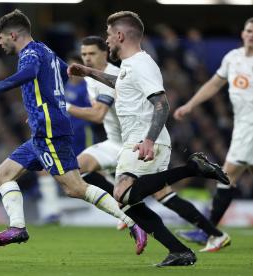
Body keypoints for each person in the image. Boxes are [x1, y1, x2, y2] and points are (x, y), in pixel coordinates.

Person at [0, 9, 147, 254]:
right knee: (3, 174)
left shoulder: (29, 55)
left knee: (74, 188)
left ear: (13, 35)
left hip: (49, 130)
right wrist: (43, 106)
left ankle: (135, 223)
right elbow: (63, 71)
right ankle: (17, 228)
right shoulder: (45, 50)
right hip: (44, 127)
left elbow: (29, 73)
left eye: (0, 37)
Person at [67, 11, 229, 266]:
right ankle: (179, 251)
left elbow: (162, 104)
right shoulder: (130, 65)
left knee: (124, 195)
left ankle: (192, 168)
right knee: (127, 203)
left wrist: (150, 140)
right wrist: (88, 71)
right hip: (135, 139)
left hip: (144, 139)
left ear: (120, 35)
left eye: (109, 35)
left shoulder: (142, 63)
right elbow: (118, 81)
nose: (107, 40)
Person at [173, 17, 253, 247]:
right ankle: (208, 232)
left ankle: (207, 232)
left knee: (227, 176)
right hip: (243, 125)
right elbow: (214, 84)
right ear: (243, 33)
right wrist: (190, 104)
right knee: (229, 177)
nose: (251, 35)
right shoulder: (233, 58)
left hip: (250, 126)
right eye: (248, 30)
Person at [36, 53, 96, 225]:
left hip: (82, 136)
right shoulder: (62, 85)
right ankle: (51, 212)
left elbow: (94, 113)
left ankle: (113, 205)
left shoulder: (88, 88)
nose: (72, 71)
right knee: (45, 170)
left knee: (89, 171)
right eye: (70, 67)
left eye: (76, 67)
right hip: (61, 136)